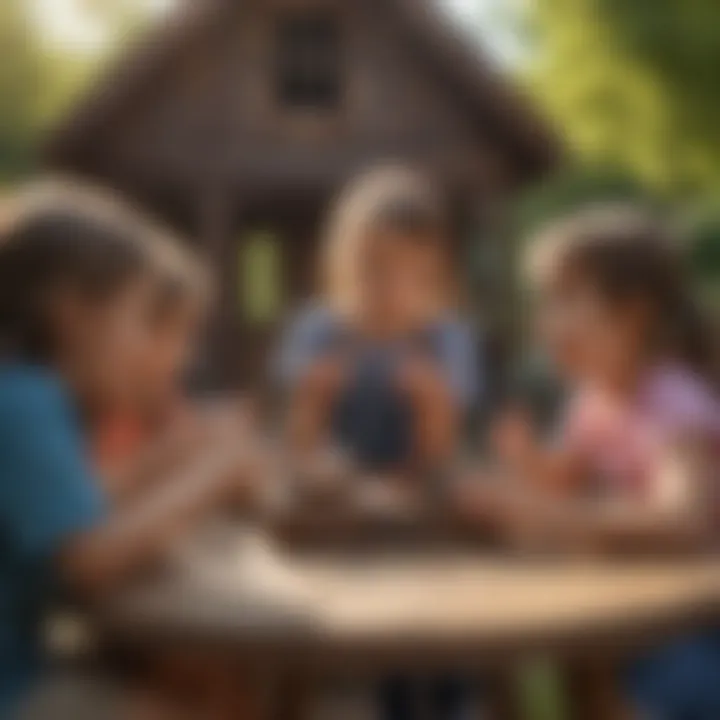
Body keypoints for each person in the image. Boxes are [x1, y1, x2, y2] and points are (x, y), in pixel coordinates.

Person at [0, 180, 257, 719]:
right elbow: (91, 560)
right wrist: (210, 476)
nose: (152, 346)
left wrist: (171, 458)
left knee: (215, 685)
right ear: (71, 311)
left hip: (26, 667)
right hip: (14, 691)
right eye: (141, 320)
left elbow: (83, 504)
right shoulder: (23, 403)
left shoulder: (31, 398)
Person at [467, 205, 720, 718]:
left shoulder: (672, 400)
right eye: (543, 302)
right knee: (581, 670)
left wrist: (549, 515)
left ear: (632, 314)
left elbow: (685, 519)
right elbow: (568, 476)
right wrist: (529, 465)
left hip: (694, 624)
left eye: (562, 300)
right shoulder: (593, 401)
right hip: (632, 605)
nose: (542, 320)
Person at [277, 166, 480, 720]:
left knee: (434, 607)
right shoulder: (318, 332)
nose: (384, 288)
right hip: (337, 505)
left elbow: (443, 452)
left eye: (406, 272)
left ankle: (443, 698)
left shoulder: (446, 337)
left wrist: (434, 406)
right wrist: (313, 405)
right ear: (338, 267)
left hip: (421, 505)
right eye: (369, 268)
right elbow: (298, 447)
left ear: (435, 275)